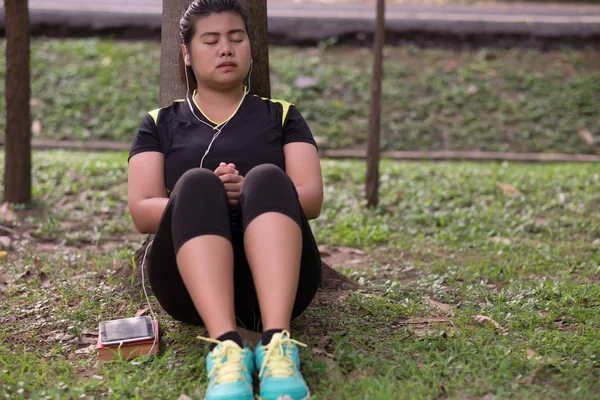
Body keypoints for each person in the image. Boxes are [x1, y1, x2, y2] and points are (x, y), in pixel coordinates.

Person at [127, 1, 323, 399]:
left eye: (236, 38)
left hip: (280, 284)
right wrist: (210, 198)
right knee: (198, 183)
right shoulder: (159, 122)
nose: (226, 49)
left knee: (267, 179)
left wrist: (248, 192)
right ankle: (225, 351)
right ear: (186, 53)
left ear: (250, 46)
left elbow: (312, 198)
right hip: (189, 288)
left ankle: (277, 345)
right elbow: (142, 209)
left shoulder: (282, 116)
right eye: (211, 40)